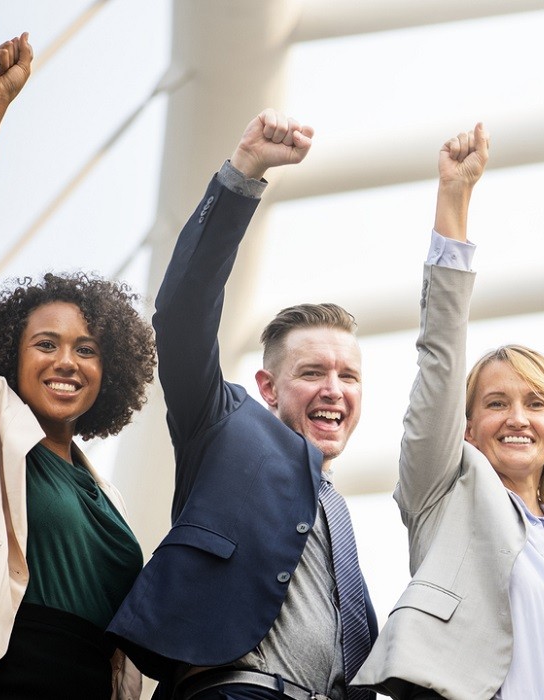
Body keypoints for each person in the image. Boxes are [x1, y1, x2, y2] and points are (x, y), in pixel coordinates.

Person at [0, 34, 156, 700]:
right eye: (45, 343)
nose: (66, 361)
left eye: (87, 348)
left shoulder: (110, 497)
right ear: (9, 356)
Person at [106, 110, 378, 700]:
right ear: (268, 388)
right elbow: (182, 315)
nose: (334, 388)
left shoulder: (334, 507)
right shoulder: (224, 424)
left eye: (348, 375)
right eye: (312, 372)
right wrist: (244, 173)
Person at [354, 125, 544, 700]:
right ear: (467, 429)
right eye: (496, 403)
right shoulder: (446, 490)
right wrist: (455, 199)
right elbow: (441, 359)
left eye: (535, 403)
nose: (517, 417)